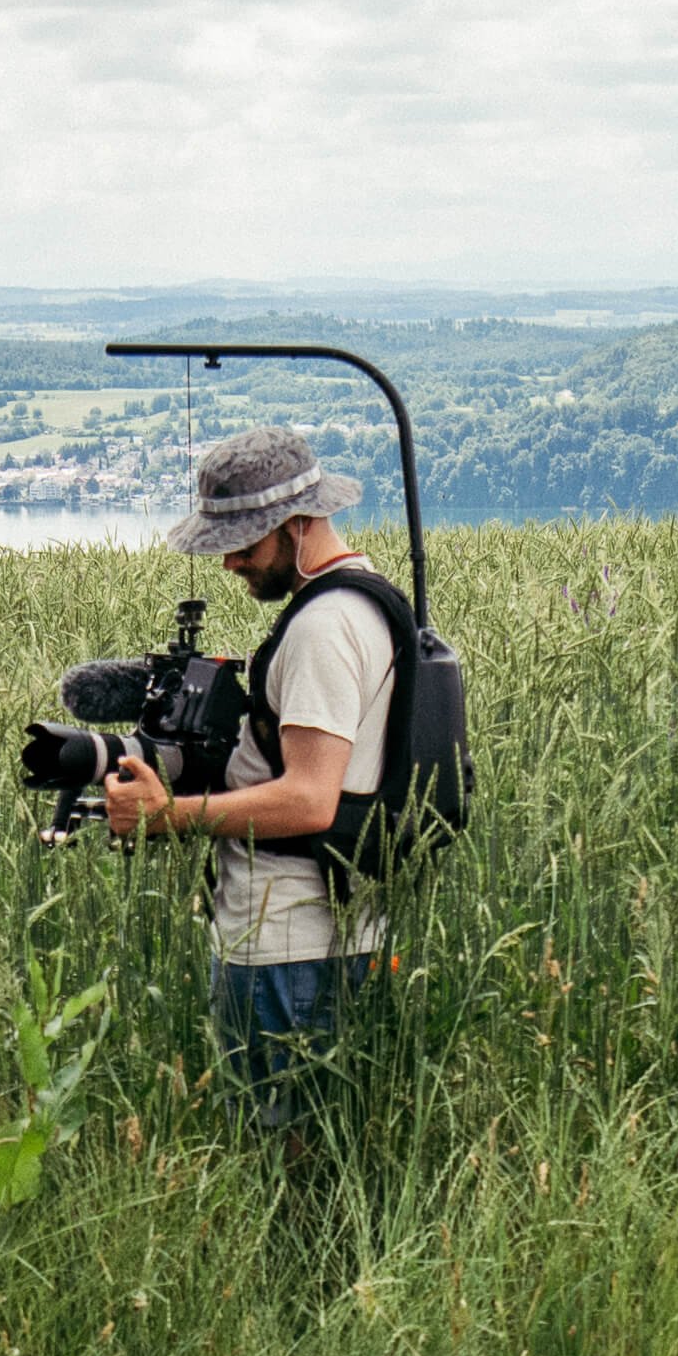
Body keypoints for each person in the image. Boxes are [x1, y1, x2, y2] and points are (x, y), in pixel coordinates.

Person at [105, 425, 397, 1128]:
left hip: (287, 944)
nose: (230, 563)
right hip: (339, 931)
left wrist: (165, 815)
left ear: (297, 526)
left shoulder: (322, 628)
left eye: (245, 544)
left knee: (285, 1154)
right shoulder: (364, 600)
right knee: (328, 1146)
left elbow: (307, 799)